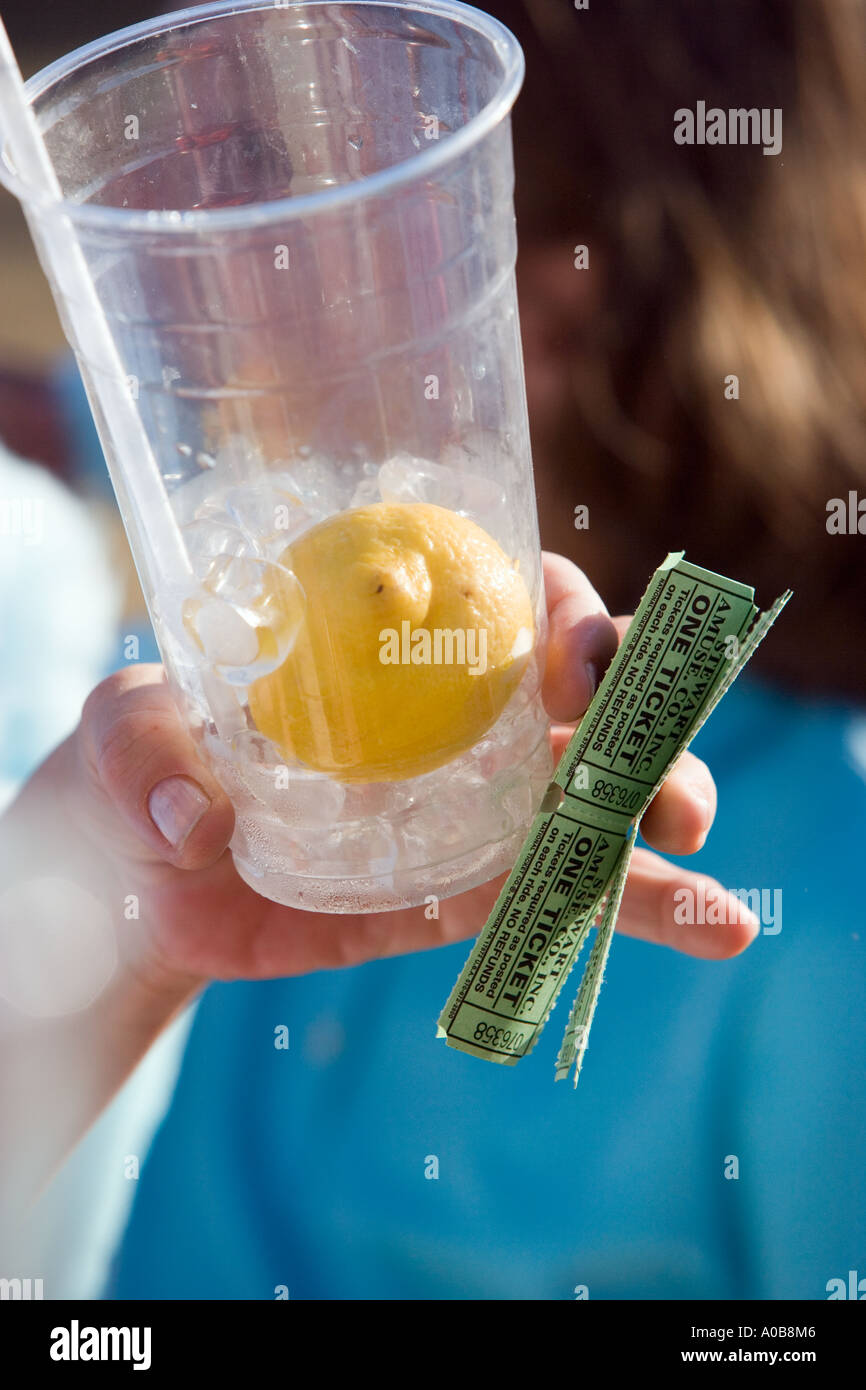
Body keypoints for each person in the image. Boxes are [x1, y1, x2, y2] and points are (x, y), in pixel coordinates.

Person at [2, 0, 865, 1299]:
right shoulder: (247, 730)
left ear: (567, 277)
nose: (240, 255)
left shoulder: (825, 891)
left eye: (304, 166)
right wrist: (111, 956)